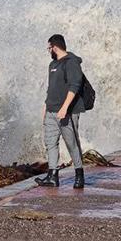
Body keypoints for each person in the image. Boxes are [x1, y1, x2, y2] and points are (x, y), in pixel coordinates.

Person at [35, 34, 86, 189]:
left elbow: (75, 86)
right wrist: (46, 105)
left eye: (49, 48)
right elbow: (51, 89)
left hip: (67, 112)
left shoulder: (71, 62)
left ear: (55, 47)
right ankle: (52, 176)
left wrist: (64, 108)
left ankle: (79, 175)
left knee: (72, 143)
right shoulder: (52, 65)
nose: (48, 50)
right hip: (51, 111)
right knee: (50, 143)